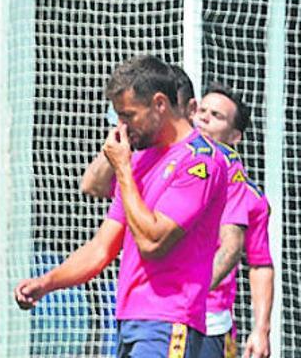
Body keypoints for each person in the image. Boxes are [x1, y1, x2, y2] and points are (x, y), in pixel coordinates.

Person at [15, 55, 228, 357]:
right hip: (129, 321)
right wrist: (47, 283)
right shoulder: (142, 158)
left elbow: (153, 241)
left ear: (159, 104)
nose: (123, 126)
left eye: (128, 115)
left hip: (168, 321)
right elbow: (102, 248)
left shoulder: (200, 162)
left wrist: (124, 171)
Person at [194, 84, 273, 358]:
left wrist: (261, 329)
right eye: (201, 110)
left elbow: (260, 264)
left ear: (235, 136)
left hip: (212, 323)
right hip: (158, 315)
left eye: (216, 115)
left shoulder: (251, 198)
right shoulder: (168, 168)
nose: (203, 118)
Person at [80, 64, 197, 198]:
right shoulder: (144, 157)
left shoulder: (203, 159)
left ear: (191, 109)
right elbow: (92, 186)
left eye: (174, 110)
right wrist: (121, 138)